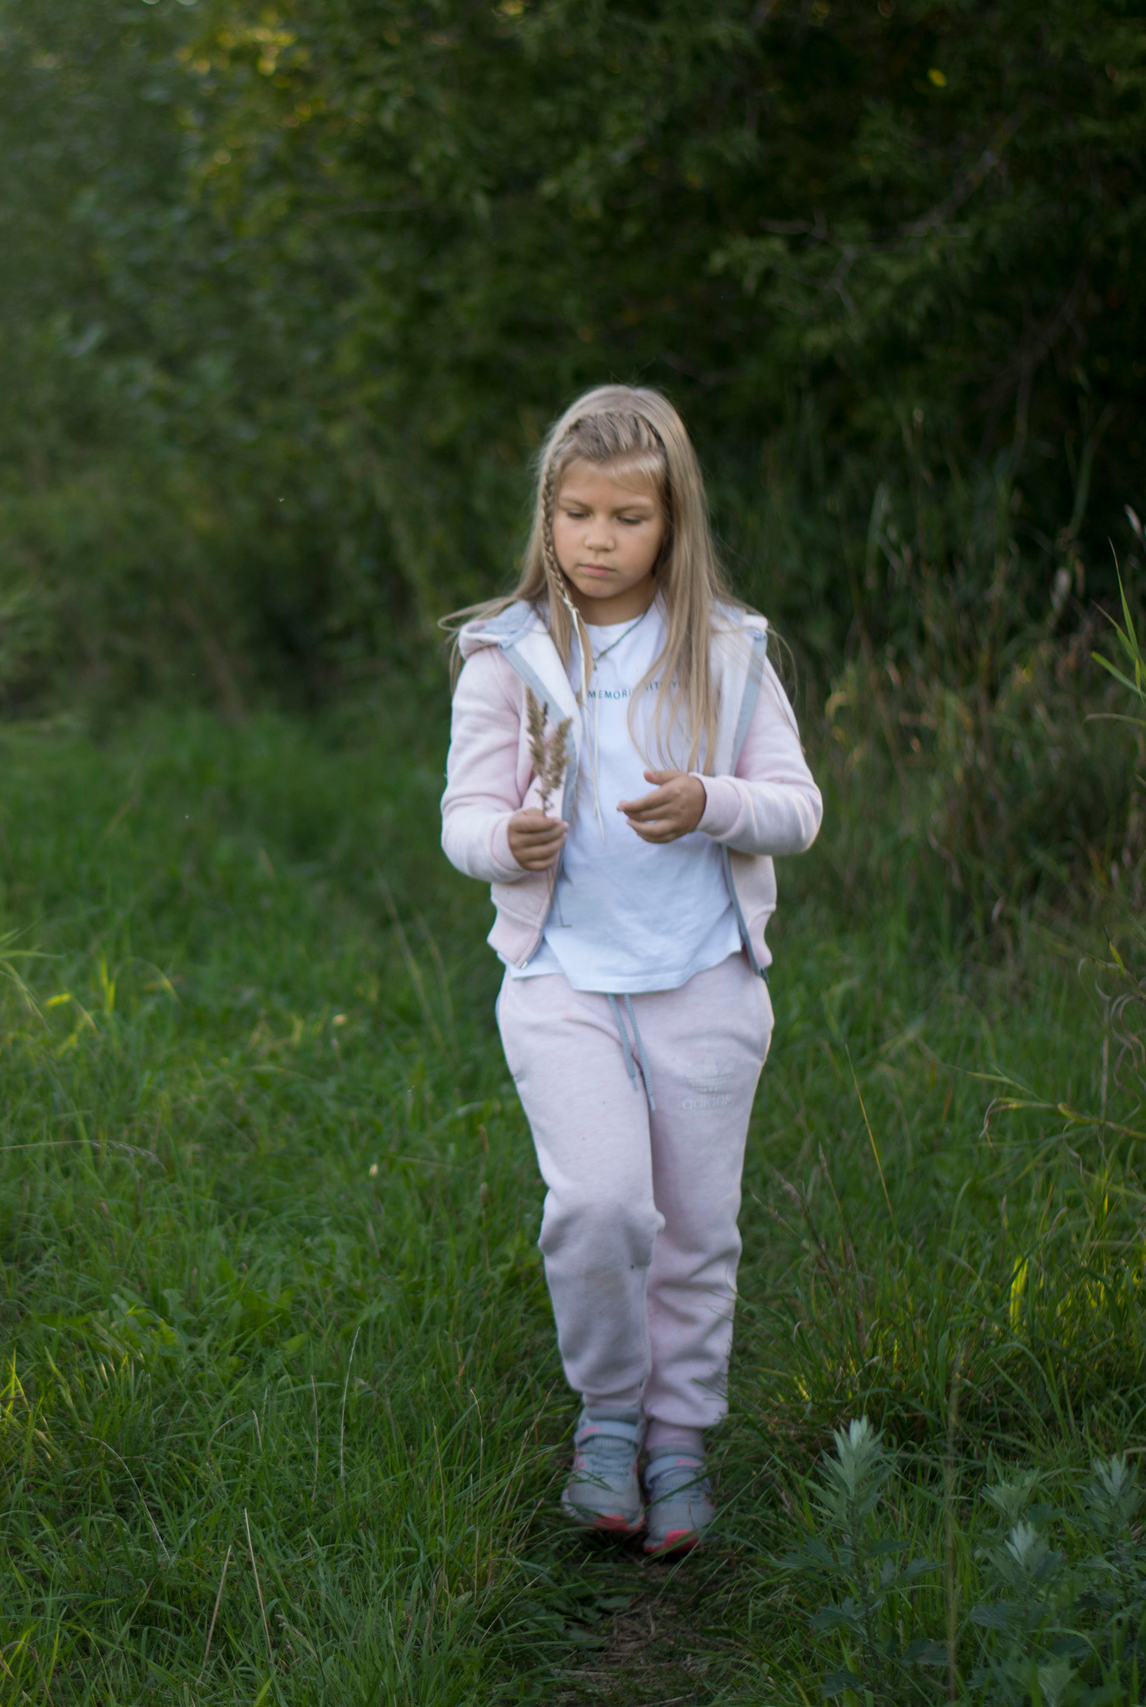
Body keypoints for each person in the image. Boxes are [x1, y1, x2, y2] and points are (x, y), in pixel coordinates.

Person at [439, 385, 821, 1555]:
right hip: (561, 978)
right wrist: (506, 840)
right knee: (601, 1205)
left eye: (627, 518)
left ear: (672, 525)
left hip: (703, 973)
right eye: (574, 513)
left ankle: (678, 1438)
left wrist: (713, 803)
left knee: (696, 1226)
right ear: (545, 517)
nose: (596, 541)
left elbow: (798, 811)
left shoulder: (729, 652)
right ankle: (607, 1419)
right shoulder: (507, 656)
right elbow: (460, 820)